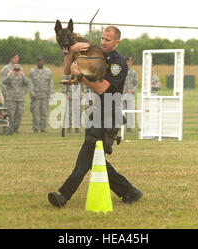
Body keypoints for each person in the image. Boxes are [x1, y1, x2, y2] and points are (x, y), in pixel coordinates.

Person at [48, 26, 143, 208]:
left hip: (108, 114)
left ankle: (63, 195)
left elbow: (101, 88)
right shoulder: (95, 52)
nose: (103, 42)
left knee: (86, 155)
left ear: (116, 42)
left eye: (107, 40)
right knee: (94, 158)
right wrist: (71, 52)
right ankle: (130, 191)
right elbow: (67, 72)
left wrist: (80, 77)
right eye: (102, 38)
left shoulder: (117, 63)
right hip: (95, 112)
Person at [28, 56, 54, 133]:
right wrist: (32, 94)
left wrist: (51, 95)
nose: (40, 63)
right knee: (35, 114)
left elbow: (51, 84)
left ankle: (43, 128)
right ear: (36, 62)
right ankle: (35, 128)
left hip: (45, 96)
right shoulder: (32, 71)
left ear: (43, 62)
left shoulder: (48, 72)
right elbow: (30, 84)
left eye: (41, 61)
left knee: (44, 114)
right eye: (38, 61)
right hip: (35, 97)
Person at [1, 63, 30, 133]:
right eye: (15, 70)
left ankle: (15, 128)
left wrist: (23, 75)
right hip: (11, 98)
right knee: (11, 114)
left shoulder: (22, 77)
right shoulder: (10, 76)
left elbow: (27, 82)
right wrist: (8, 75)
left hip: (20, 98)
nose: (17, 72)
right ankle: (10, 129)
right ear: (13, 70)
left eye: (18, 70)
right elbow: (4, 82)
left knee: (19, 114)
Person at [122, 56, 138, 132]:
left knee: (130, 110)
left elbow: (136, 84)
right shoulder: (121, 72)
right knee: (120, 110)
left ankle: (129, 128)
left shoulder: (133, 73)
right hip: (122, 94)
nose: (130, 63)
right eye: (128, 61)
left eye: (130, 61)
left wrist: (132, 91)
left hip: (130, 94)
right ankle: (118, 127)